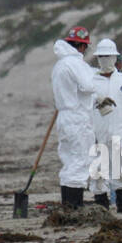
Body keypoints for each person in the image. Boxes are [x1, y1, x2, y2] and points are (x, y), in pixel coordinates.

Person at [51, 26, 101, 208]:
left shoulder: (59, 64)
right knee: (80, 161)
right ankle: (74, 208)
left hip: (64, 116)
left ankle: (67, 207)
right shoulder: (74, 63)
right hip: (77, 117)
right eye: (85, 47)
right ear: (80, 45)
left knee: (69, 161)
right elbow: (88, 86)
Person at [88, 39, 122, 212]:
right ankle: (101, 206)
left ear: (115, 57)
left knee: (121, 168)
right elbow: (85, 105)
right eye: (101, 56)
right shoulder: (91, 80)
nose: (105, 60)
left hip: (120, 131)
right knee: (97, 169)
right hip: (97, 132)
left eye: (108, 56)